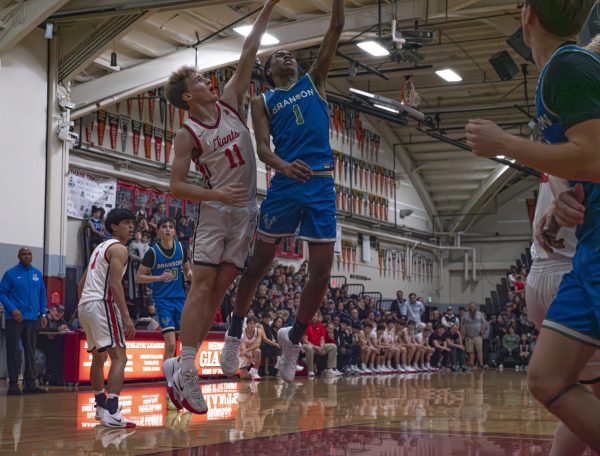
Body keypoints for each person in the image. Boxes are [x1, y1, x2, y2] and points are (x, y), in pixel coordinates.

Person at [466, 0, 600, 450]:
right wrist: (563, 200)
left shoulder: (568, 67)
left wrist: (506, 143)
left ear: (527, 15)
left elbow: (596, 156)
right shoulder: (566, 68)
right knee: (546, 378)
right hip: (587, 246)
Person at [162, 0, 279, 415]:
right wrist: (215, 196)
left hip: (246, 210)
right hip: (217, 211)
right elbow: (176, 186)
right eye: (197, 79)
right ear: (186, 97)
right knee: (203, 284)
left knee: (223, 285)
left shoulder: (231, 100)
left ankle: (181, 359)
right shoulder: (187, 133)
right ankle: (188, 367)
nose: (206, 80)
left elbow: (248, 50)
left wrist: (268, 7)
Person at [219, 0, 345, 384]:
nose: (287, 56)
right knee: (258, 265)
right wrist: (284, 166)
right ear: (268, 72)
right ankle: (235, 327)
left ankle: (295, 335)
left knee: (322, 275)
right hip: (286, 183)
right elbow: (262, 149)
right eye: (279, 56)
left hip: (321, 184)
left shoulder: (314, 81)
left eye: (290, 55)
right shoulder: (263, 100)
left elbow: (335, 29)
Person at [77, 209, 137, 428]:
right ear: (113, 226)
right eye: (127, 222)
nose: (131, 227)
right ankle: (112, 410)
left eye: (133, 223)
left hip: (86, 304)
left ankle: (101, 407)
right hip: (102, 303)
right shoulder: (119, 249)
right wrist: (126, 316)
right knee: (120, 356)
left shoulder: (98, 249)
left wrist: (81, 308)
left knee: (99, 358)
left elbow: (80, 283)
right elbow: (114, 284)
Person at [135, 217, 192, 404]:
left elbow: (188, 272)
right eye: (164, 227)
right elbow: (139, 277)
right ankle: (168, 382)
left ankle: (179, 379)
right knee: (169, 344)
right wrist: (158, 277)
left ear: (175, 232)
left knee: (183, 343)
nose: (168, 230)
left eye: (171, 227)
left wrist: (197, 276)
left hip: (181, 300)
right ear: (158, 231)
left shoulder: (181, 250)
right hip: (162, 302)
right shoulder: (152, 253)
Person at [0, 247, 47, 395]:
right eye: (24, 254)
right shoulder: (11, 274)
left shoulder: (37, 274)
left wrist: (43, 313)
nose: (27, 256)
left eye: (29, 254)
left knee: (30, 351)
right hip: (14, 319)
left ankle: (30, 384)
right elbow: (2, 293)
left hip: (32, 319)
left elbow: (42, 294)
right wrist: (12, 309)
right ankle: (13, 384)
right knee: (14, 351)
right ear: (19, 256)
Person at [301, 313, 340, 377]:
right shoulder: (306, 325)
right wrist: (316, 347)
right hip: (307, 345)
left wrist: (321, 347)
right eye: (312, 316)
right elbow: (305, 340)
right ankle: (310, 371)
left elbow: (322, 338)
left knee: (333, 346)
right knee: (309, 348)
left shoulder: (320, 325)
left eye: (315, 316)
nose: (314, 318)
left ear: (318, 317)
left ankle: (330, 369)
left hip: (319, 345)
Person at [238, 316, 263, 381]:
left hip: (251, 351)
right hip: (242, 352)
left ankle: (255, 372)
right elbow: (242, 346)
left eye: (254, 323)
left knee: (258, 351)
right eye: (250, 323)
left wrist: (248, 350)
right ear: (247, 324)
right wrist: (248, 356)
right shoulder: (241, 331)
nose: (252, 325)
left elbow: (257, 344)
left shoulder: (258, 331)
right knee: (243, 377)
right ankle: (250, 373)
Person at [461, 303, 484, 368]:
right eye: (471, 306)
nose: (472, 308)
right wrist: (463, 332)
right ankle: (472, 364)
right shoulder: (465, 315)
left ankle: (481, 364)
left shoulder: (480, 314)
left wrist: (482, 330)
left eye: (473, 306)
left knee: (479, 351)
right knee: (471, 351)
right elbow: (462, 324)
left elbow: (484, 323)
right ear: (469, 307)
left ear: (475, 307)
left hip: (478, 335)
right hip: (469, 336)